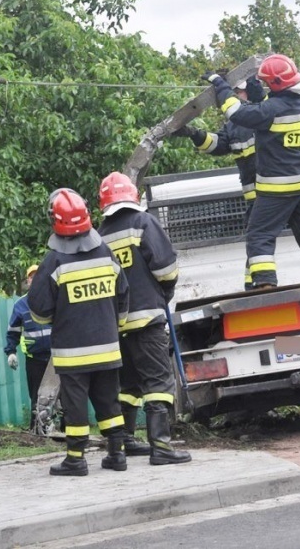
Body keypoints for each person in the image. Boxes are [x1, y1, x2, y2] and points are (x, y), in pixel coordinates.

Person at [202, 54, 300, 289]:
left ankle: (265, 283)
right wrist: (255, 85)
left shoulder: (271, 110)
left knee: (259, 235)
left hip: (277, 187)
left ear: (274, 84)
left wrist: (221, 85)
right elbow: (265, 103)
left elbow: (238, 113)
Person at [174, 76, 300, 288]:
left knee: (274, 238)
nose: (234, 96)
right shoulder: (236, 124)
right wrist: (194, 134)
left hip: (272, 193)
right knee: (278, 241)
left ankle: (275, 284)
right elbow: (219, 145)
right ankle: (258, 287)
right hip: (261, 197)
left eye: (238, 92)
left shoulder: (261, 113)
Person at [28, 188, 130, 476]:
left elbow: (38, 310)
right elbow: (124, 294)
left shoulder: (54, 261)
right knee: (109, 400)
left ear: (54, 221)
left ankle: (76, 459)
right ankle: (117, 454)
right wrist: (114, 326)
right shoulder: (106, 252)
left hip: (73, 353)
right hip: (108, 346)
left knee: (75, 406)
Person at [97, 172, 192, 466]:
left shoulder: (99, 235)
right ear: (132, 196)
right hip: (148, 320)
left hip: (116, 326)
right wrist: (166, 290)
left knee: (128, 385)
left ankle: (125, 439)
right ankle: (161, 447)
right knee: (158, 382)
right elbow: (166, 268)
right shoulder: (144, 222)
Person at [3, 264, 52, 430]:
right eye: (32, 276)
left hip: (57, 358)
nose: (35, 279)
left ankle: (67, 430)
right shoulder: (21, 305)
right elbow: (13, 332)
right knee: (37, 396)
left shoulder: (56, 299)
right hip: (35, 359)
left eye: (38, 275)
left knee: (64, 396)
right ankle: (37, 430)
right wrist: (11, 352)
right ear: (28, 281)